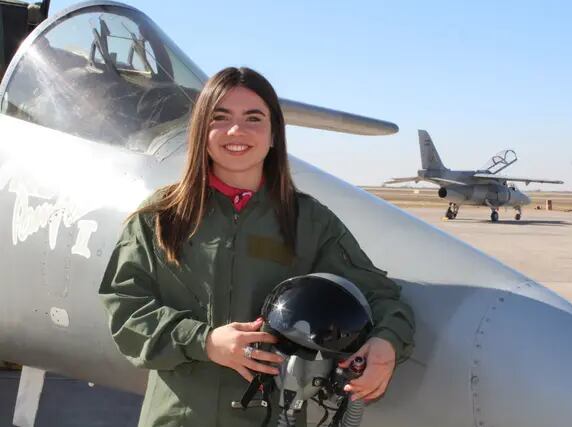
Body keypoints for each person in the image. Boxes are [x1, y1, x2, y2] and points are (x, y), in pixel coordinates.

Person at [99, 67, 415, 427]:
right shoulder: (161, 217)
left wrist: (386, 345)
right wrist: (205, 341)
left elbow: (382, 296)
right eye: (220, 118)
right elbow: (125, 309)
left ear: (273, 135)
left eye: (254, 118)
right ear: (201, 130)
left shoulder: (307, 222)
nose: (237, 131)